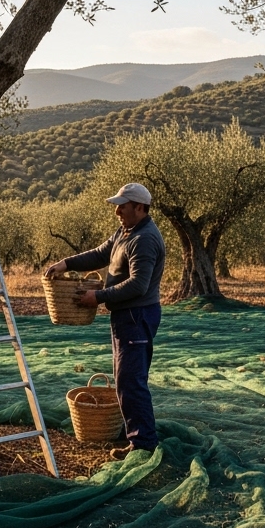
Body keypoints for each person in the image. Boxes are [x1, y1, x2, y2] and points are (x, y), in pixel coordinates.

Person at [45, 183, 166, 460]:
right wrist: (67, 263)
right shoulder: (126, 232)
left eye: (122, 206)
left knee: (130, 381)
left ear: (139, 207)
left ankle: (143, 444)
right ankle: (136, 433)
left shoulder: (144, 238)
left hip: (137, 316)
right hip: (125, 317)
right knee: (126, 380)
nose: (117, 211)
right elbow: (101, 254)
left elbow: (138, 285)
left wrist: (97, 296)